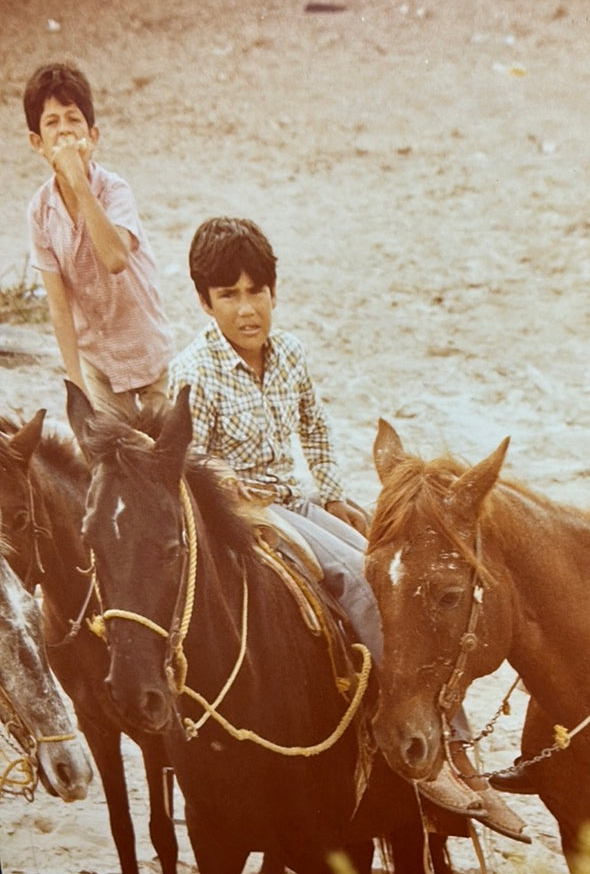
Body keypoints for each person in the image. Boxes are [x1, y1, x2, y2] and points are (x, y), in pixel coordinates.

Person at [168, 216, 529, 842]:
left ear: (274, 293)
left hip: (300, 500)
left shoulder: (290, 354)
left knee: (398, 584)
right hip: (247, 516)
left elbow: (314, 433)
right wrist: (235, 492)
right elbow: (192, 460)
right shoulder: (194, 369)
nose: (247, 309)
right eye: (229, 296)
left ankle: (456, 745)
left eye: (257, 292)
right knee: (363, 594)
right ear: (205, 302)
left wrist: (338, 498)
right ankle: (430, 758)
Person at [24, 62, 174, 420]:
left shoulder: (114, 190)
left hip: (146, 352)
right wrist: (77, 389)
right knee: (108, 458)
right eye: (52, 123)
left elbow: (115, 258)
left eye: (73, 120)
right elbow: (59, 308)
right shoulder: (40, 212)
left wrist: (78, 182)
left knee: (161, 457)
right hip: (99, 364)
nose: (64, 132)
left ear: (92, 136)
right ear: (37, 143)